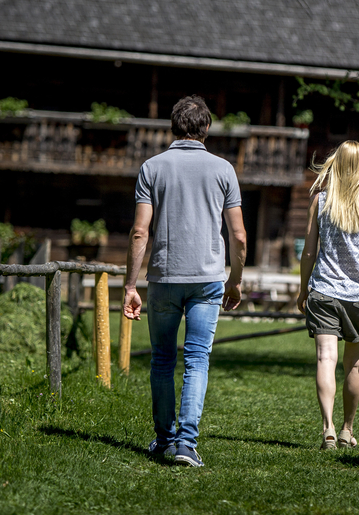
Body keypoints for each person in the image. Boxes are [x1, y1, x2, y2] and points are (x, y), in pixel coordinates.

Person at [122, 95, 247, 468]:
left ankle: (163, 440)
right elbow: (238, 236)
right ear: (206, 128)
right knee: (196, 360)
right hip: (208, 278)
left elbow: (139, 233)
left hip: (164, 276)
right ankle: (186, 445)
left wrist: (130, 286)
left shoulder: (152, 167)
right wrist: (236, 280)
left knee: (162, 359)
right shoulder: (224, 169)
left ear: (173, 127)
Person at [296, 141, 359, 451]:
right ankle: (348, 429)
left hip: (323, 291)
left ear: (336, 165)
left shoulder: (320, 202)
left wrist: (302, 288)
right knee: (354, 365)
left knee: (325, 359)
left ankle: (328, 428)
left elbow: (309, 251)